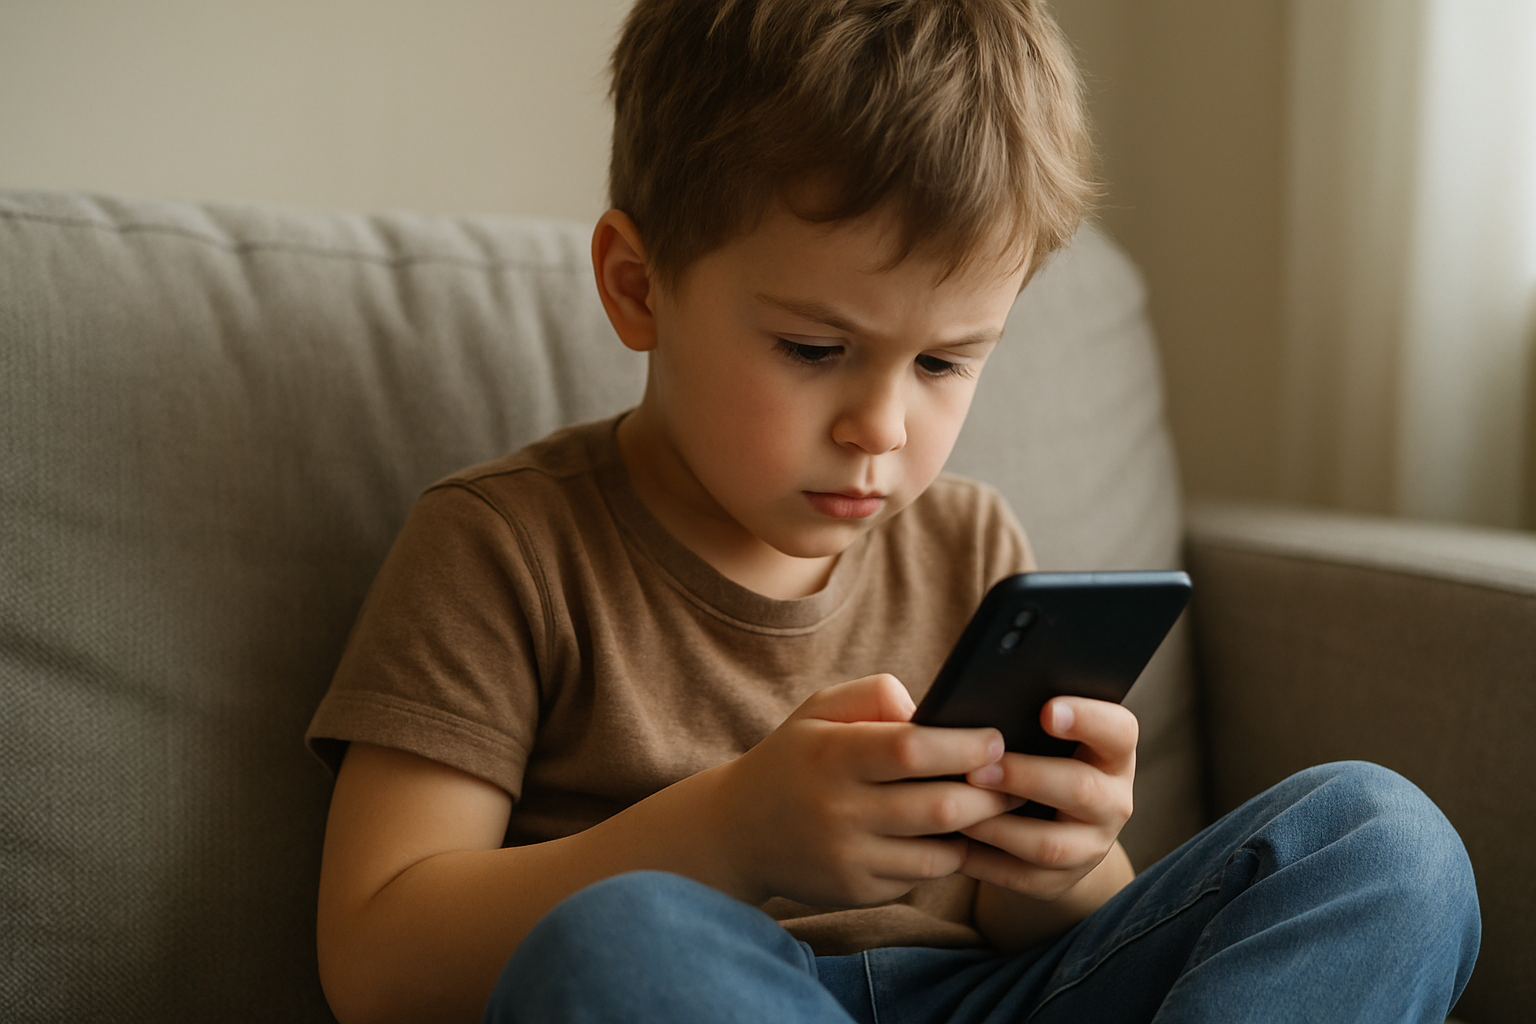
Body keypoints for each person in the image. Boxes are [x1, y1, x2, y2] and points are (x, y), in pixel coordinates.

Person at [305, 1, 1480, 1021]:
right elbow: (376, 959)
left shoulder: (971, 544)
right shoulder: (503, 547)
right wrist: (730, 835)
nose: (883, 426)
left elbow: (1071, 938)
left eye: (944, 365)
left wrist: (1062, 861)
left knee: (1383, 840)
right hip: (708, 988)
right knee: (619, 944)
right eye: (817, 348)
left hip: (987, 994)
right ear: (638, 285)